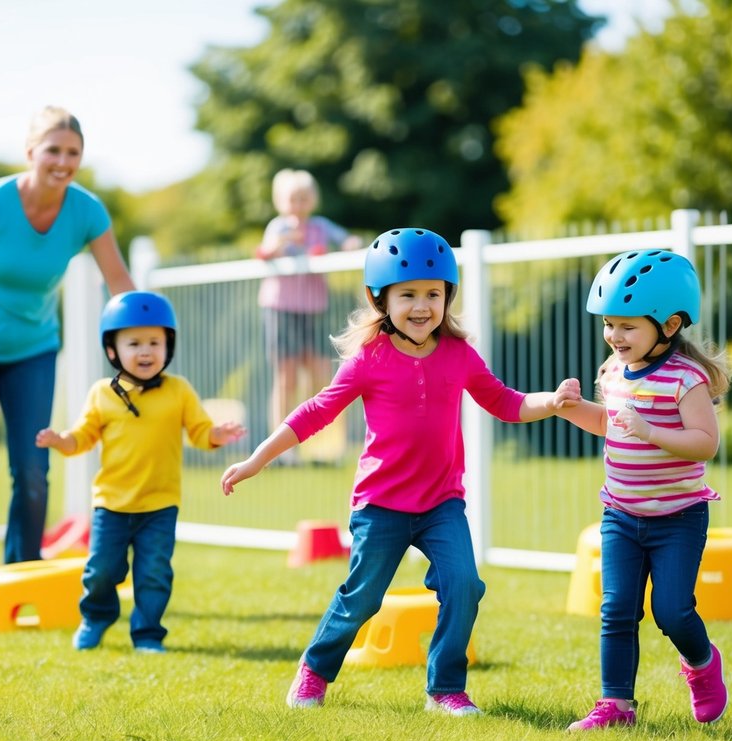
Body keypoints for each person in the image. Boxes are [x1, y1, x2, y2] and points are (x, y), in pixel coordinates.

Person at [222, 228, 576, 715]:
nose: (421, 306)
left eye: (433, 293)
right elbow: (314, 413)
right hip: (380, 506)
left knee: (465, 585)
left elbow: (506, 402)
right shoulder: (368, 360)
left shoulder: (460, 355)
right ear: (380, 299)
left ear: (447, 297)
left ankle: (445, 689)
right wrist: (256, 459)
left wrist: (553, 402)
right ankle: (314, 671)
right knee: (362, 598)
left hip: (441, 504)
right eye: (407, 294)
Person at [0, 106, 136, 621]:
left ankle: (19, 583)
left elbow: (121, 285)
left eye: (73, 153)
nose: (63, 162)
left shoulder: (86, 212)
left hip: (33, 350)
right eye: (53, 151)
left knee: (34, 471)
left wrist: (143, 345)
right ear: (30, 152)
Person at [554, 249, 732, 731]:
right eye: (610, 324)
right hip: (622, 515)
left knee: (672, 611)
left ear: (669, 326)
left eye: (628, 326)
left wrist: (652, 431)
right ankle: (616, 706)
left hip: (678, 518)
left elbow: (705, 444)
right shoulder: (613, 372)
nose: (614, 336)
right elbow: (611, 424)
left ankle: (701, 665)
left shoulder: (685, 378)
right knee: (616, 609)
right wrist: (570, 409)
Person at [36, 291, 246, 652]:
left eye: (154, 342)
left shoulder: (179, 391)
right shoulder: (102, 394)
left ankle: (148, 635)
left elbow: (198, 431)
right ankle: (96, 617)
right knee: (102, 570)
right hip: (112, 504)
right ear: (113, 350)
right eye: (134, 343)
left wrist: (216, 434)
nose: (145, 351)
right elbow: (82, 438)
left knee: (153, 574)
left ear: (169, 345)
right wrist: (61, 440)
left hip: (160, 505)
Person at [256, 169, 362, 443]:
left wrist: (351, 244)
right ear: (281, 201)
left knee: (321, 374)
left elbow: (347, 240)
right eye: (293, 198)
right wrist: (283, 242)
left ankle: (323, 444)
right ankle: (280, 447)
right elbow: (264, 252)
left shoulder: (320, 226)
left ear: (312, 199)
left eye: (304, 198)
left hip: (313, 308)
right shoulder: (279, 227)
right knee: (286, 377)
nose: (299, 204)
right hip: (282, 308)